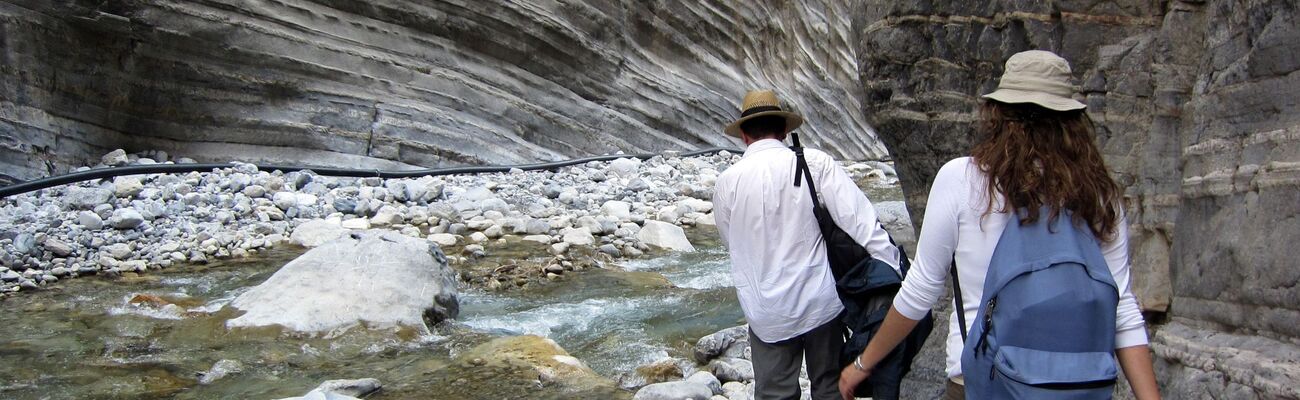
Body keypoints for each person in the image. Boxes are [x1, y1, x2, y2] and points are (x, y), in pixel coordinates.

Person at [836, 50, 1161, 399]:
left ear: (998, 114)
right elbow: (1122, 308)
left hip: (982, 382)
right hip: (1076, 386)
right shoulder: (1097, 194)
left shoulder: (963, 179)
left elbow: (921, 291)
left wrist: (863, 364)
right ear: (1072, 122)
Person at [713, 89, 903, 400]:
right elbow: (860, 221)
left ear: (744, 136)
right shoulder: (814, 162)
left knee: (775, 394)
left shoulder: (727, 182)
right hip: (821, 301)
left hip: (766, 310)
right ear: (785, 131)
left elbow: (730, 241)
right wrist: (893, 268)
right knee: (829, 387)